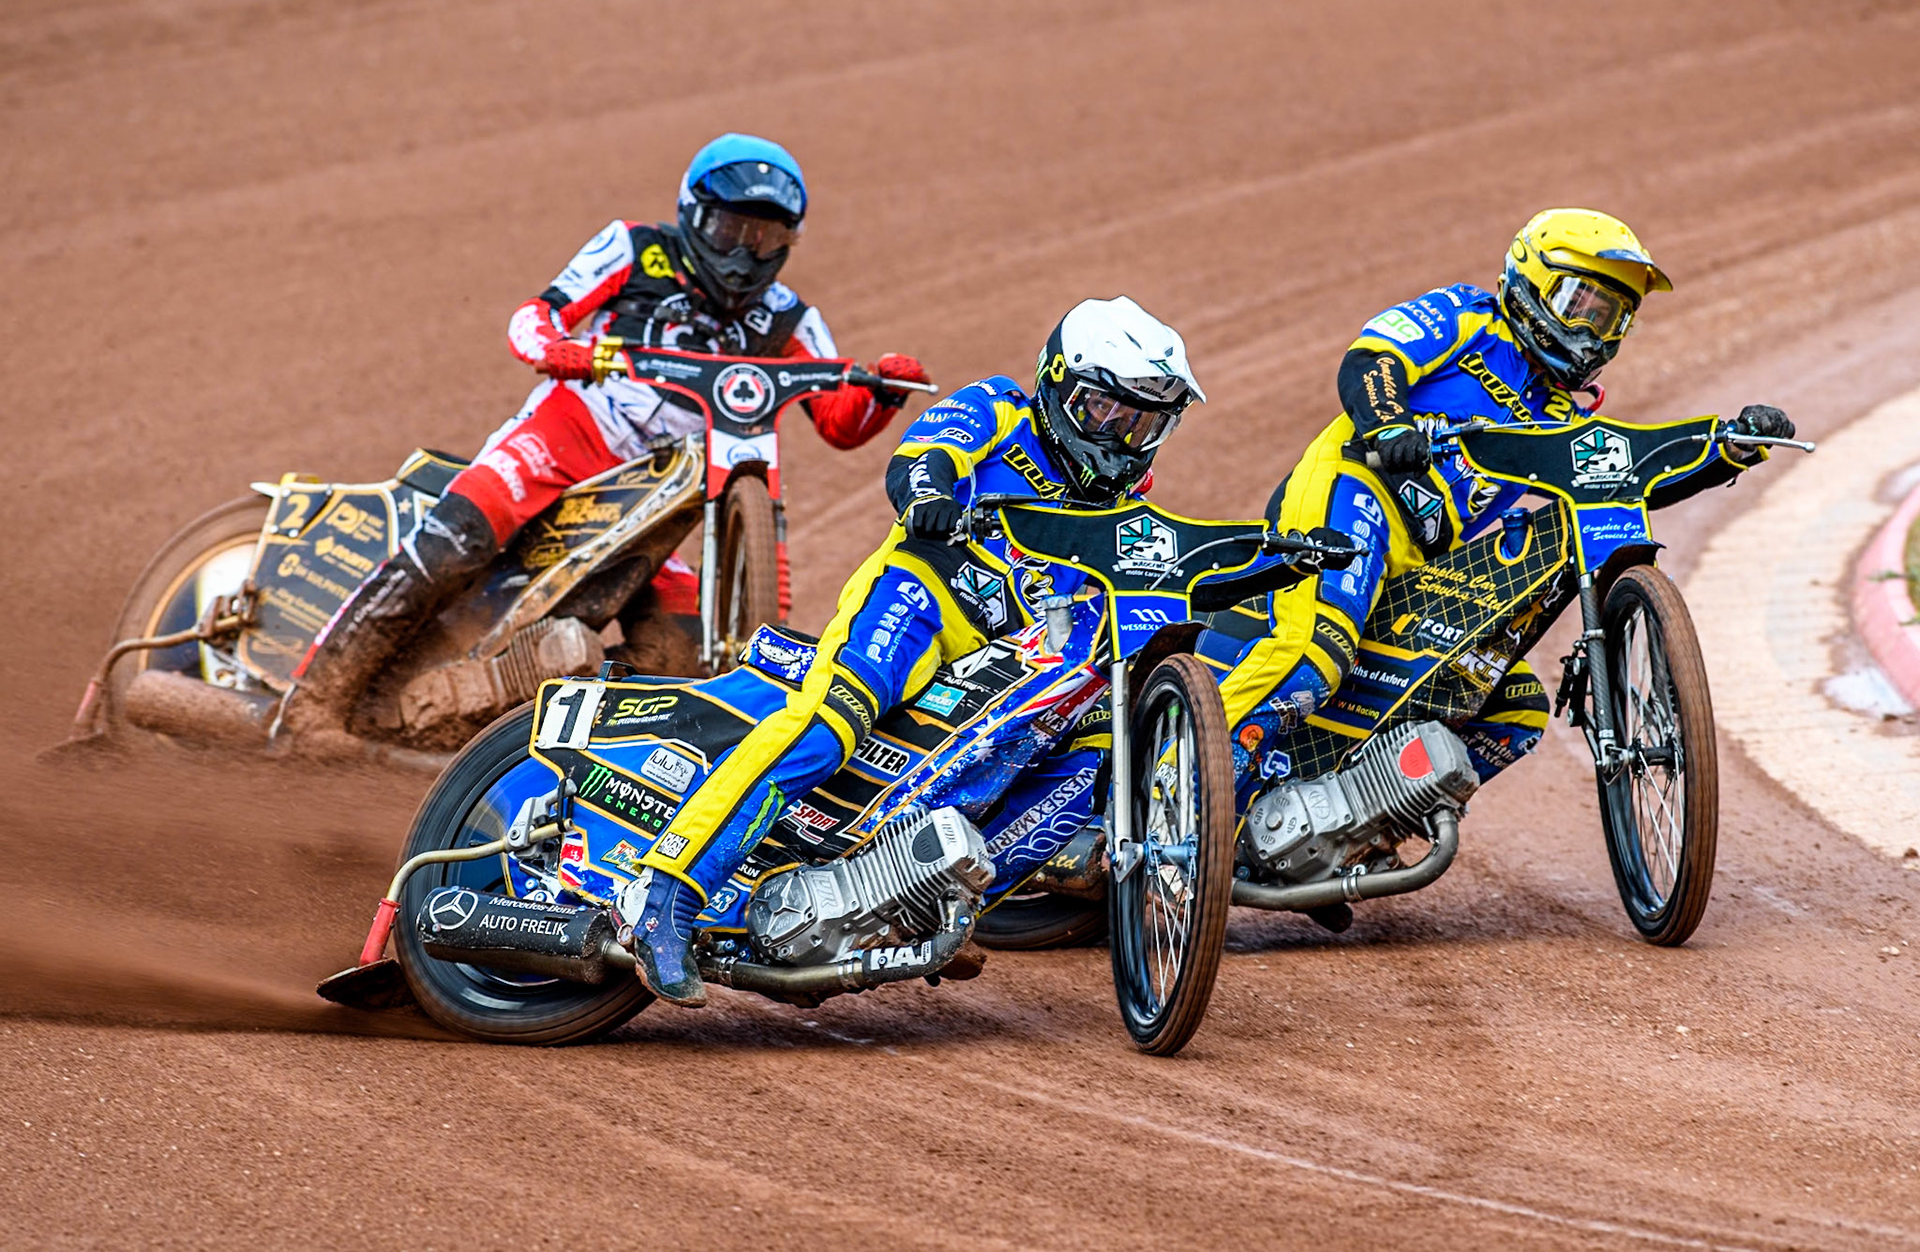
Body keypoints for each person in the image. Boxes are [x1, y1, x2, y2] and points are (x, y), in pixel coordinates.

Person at [612, 295, 1206, 1005]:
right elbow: (924, 453)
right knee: (830, 723)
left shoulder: (1131, 487)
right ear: (1056, 383)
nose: (1119, 435)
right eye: (1103, 410)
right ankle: (664, 896)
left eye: (1141, 421)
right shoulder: (999, 406)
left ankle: (922, 900)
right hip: (920, 600)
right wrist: (930, 493)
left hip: (1017, 651)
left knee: (1086, 757)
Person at [274, 133, 929, 753]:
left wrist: (885, 392)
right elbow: (540, 313)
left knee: (677, 655)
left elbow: (841, 422)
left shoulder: (788, 317)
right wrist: (555, 349)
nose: (746, 253)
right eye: (732, 231)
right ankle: (312, 705)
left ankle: (533, 729)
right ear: (695, 216)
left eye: (767, 238)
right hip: (568, 438)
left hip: (665, 500)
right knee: (458, 538)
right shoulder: (635, 249)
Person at [1204, 207, 1794, 791]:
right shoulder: (1466, 315)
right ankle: (1184, 794)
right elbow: (1372, 358)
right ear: (1530, 281)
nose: (1591, 331)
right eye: (1578, 304)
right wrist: (1388, 425)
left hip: (1424, 560)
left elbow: (1625, 476)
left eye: (1610, 317)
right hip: (1351, 493)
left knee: (1513, 708)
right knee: (1317, 648)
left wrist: (1729, 448)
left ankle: (1357, 825)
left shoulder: (1564, 413)